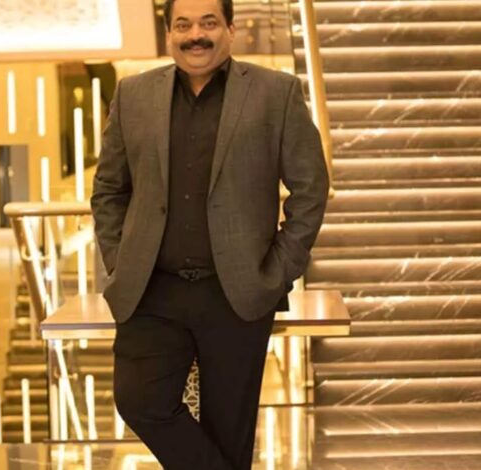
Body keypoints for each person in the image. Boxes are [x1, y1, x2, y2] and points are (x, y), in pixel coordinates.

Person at [90, 0, 329, 467]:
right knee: (140, 400)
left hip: (236, 291)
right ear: (168, 34)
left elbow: (310, 188)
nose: (195, 35)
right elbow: (109, 190)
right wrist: (121, 260)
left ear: (230, 29)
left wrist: (279, 269)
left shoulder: (275, 93)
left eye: (208, 23)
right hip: (152, 291)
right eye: (182, 25)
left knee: (229, 433)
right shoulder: (133, 95)